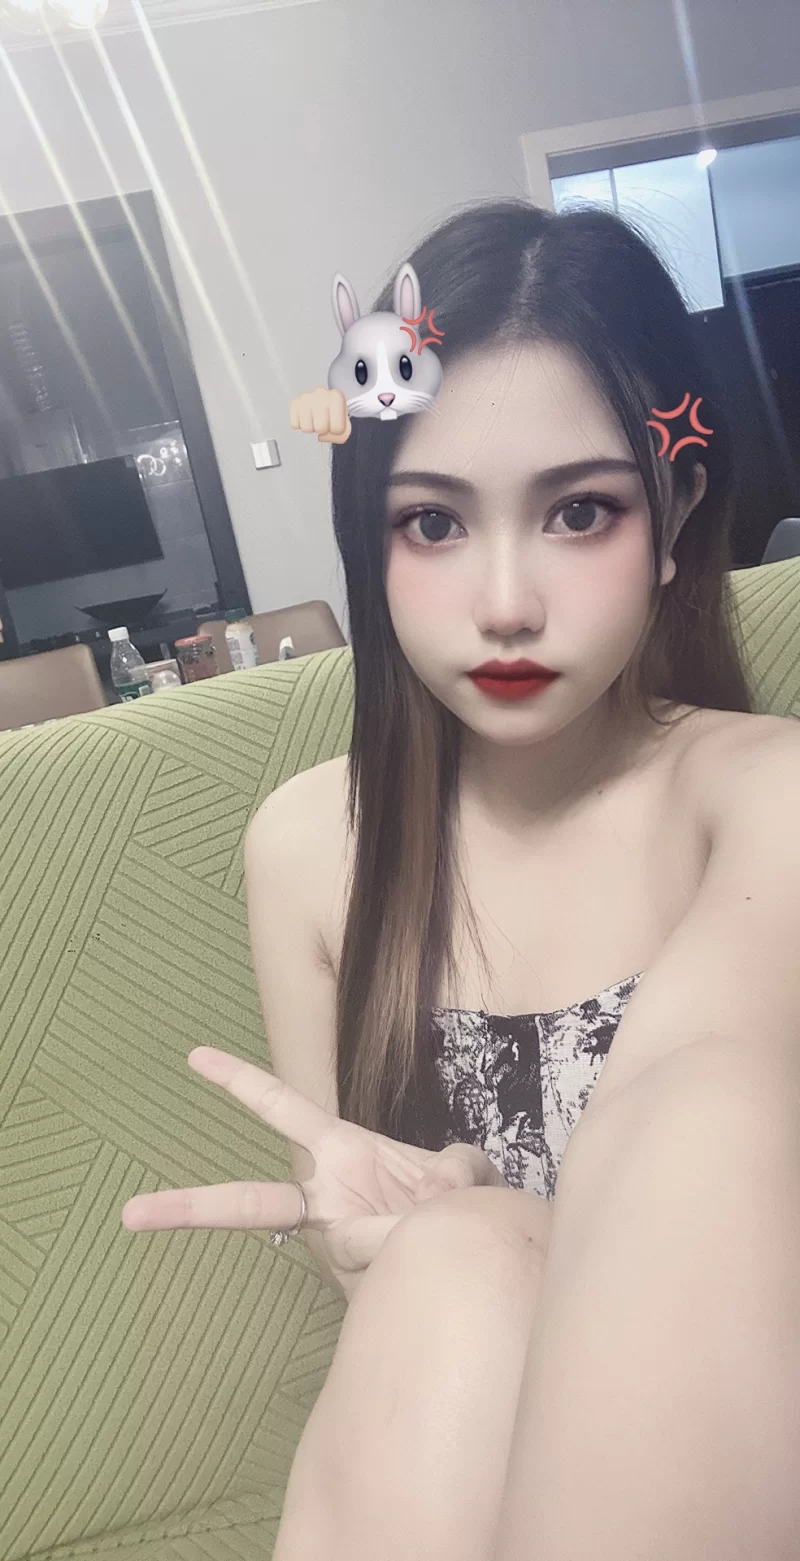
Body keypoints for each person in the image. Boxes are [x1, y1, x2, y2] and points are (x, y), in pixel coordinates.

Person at [121, 199, 800, 1560]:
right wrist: (400, 1225)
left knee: (634, 1161)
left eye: (580, 511)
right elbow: (360, 1257)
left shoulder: (761, 794)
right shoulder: (308, 848)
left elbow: (700, 1113)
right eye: (433, 523)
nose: (505, 603)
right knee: (456, 1264)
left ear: (675, 513)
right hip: (460, 1421)